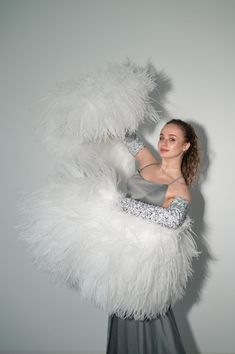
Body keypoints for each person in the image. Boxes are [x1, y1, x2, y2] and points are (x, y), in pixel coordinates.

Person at [106, 118, 201, 354]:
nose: (164, 143)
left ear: (185, 146)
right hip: (123, 261)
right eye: (161, 137)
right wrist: (105, 109)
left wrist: (120, 204)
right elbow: (124, 134)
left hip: (146, 271)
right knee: (123, 322)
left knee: (153, 323)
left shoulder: (180, 188)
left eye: (172, 139)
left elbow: (171, 220)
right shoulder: (147, 162)